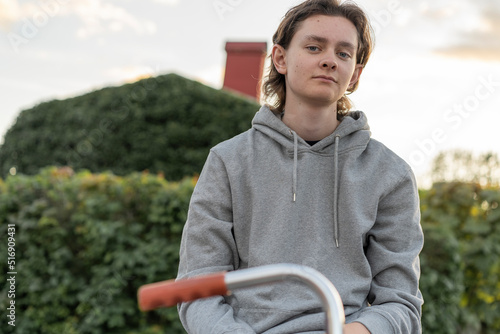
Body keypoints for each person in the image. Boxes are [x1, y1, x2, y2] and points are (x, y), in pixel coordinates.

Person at [177, 0, 424, 333]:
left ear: (355, 75)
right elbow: (197, 290)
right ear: (280, 58)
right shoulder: (228, 161)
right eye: (313, 47)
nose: (329, 60)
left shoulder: (390, 174)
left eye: (344, 54)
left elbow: (401, 303)